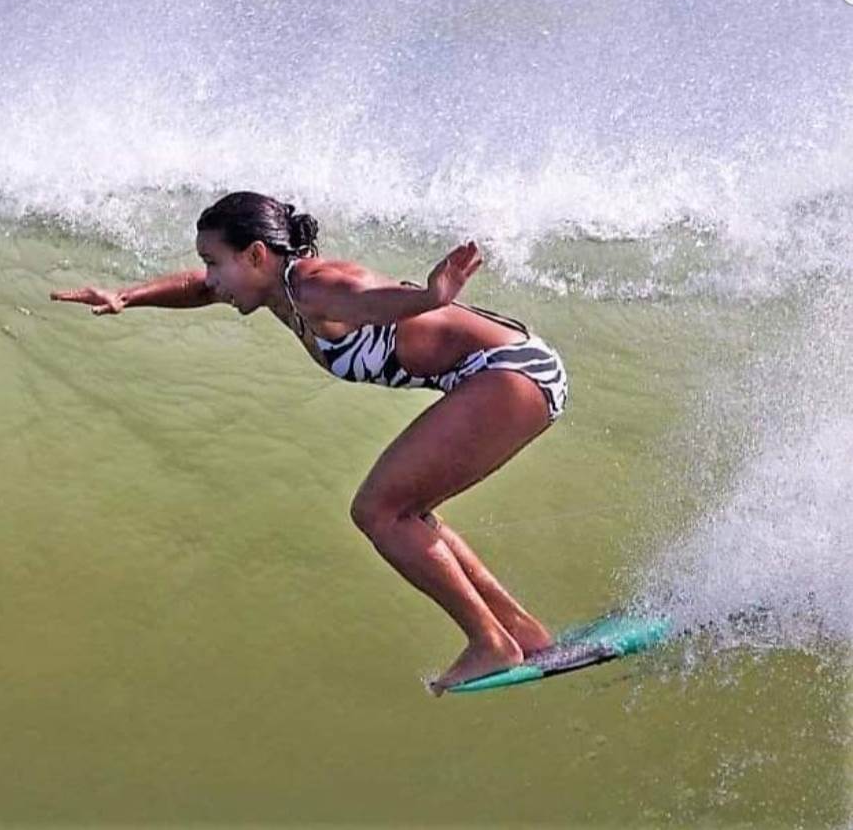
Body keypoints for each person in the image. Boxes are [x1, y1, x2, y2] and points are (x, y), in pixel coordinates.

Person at [51, 191, 568, 695]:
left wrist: (429, 298)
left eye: (214, 262)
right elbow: (199, 289)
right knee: (403, 510)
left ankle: (489, 642)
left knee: (380, 511)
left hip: (511, 372)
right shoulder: (275, 289)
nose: (210, 277)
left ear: (256, 254)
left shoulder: (317, 288)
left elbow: (367, 296)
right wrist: (127, 296)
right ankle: (518, 631)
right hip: (500, 374)